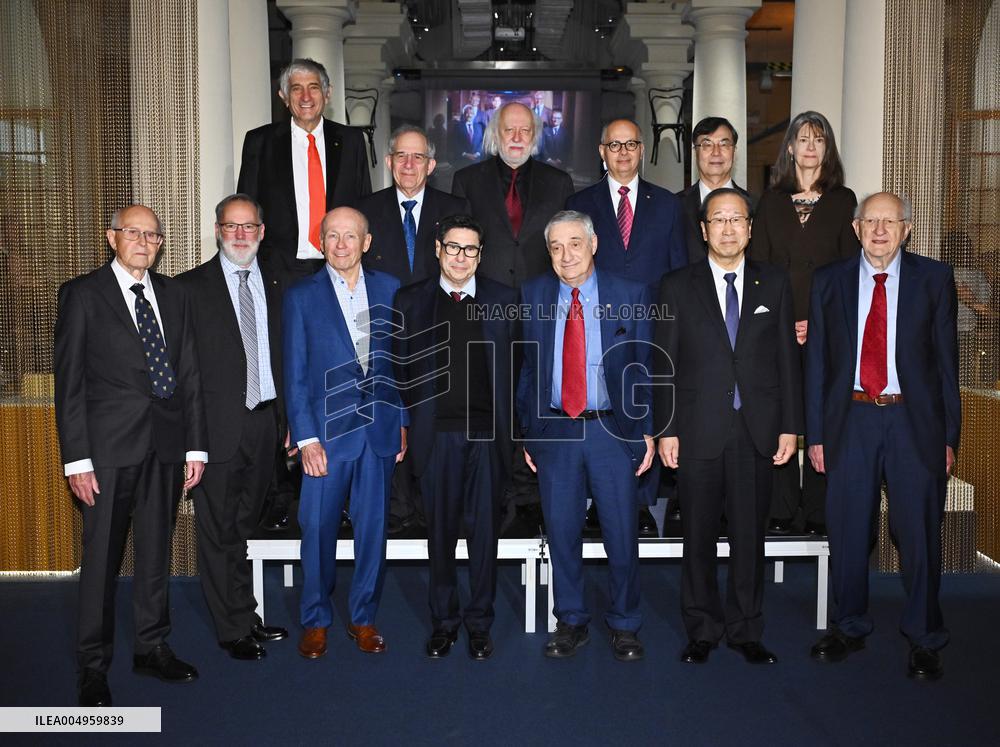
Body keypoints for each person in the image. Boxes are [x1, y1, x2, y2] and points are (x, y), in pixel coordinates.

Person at [54, 204, 207, 706]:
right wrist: (76, 460)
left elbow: (189, 375)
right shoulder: (82, 295)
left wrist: (195, 444)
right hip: (106, 452)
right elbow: (69, 384)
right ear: (111, 238)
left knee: (156, 553)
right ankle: (92, 668)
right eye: (133, 233)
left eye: (152, 235)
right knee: (100, 561)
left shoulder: (175, 295)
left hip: (165, 446)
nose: (144, 242)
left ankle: (151, 646)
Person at [805, 192, 960, 681]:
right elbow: (818, 366)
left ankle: (924, 636)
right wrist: (817, 434)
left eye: (889, 222)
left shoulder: (934, 279)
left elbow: (945, 365)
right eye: (870, 221)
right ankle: (849, 625)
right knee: (849, 530)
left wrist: (948, 435)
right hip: (850, 420)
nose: (879, 230)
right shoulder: (828, 281)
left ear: (906, 229)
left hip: (913, 422)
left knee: (917, 532)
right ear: (856, 228)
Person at [655, 188, 800, 666]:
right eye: (718, 219)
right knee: (697, 536)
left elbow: (787, 361)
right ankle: (702, 628)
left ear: (750, 228)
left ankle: (745, 629)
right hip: (696, 431)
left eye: (737, 219)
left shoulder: (774, 284)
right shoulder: (677, 285)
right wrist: (666, 429)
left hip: (756, 430)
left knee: (748, 538)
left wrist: (790, 427)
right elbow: (665, 363)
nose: (728, 228)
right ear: (703, 229)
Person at [518, 210, 656, 662]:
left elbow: (645, 367)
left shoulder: (630, 294)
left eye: (575, 243)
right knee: (561, 532)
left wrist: (647, 430)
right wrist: (529, 433)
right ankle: (571, 620)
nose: (566, 255)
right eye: (556, 247)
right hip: (555, 430)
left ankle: (625, 623)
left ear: (594, 244)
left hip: (611, 430)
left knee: (621, 533)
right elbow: (527, 368)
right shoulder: (534, 293)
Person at [283, 206, 407, 659]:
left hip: (378, 431)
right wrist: (306, 436)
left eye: (350, 236)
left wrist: (403, 423)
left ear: (366, 242)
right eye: (331, 236)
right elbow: (294, 375)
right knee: (316, 527)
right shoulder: (301, 296)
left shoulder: (392, 290)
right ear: (321, 242)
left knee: (373, 530)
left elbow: (399, 365)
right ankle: (315, 619)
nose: (340, 245)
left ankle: (363, 617)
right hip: (326, 438)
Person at [393, 214, 519, 660]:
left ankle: (480, 624)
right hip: (436, 437)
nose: (461, 257)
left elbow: (518, 371)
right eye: (453, 247)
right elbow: (397, 369)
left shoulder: (504, 300)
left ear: (480, 255)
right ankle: (444, 622)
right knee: (440, 536)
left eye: (470, 250)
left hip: (488, 438)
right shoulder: (409, 302)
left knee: (485, 538)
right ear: (437, 249)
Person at [452, 101, 575, 536]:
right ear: (495, 133)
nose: (518, 137)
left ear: (536, 135)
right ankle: (492, 494)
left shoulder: (560, 183)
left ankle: (528, 497)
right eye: (510, 130)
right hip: (486, 313)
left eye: (526, 130)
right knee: (493, 404)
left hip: (544, 311)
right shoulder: (467, 180)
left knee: (537, 402)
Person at [176, 194, 289, 660]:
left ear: (262, 232)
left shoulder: (280, 284)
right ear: (218, 231)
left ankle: (245, 613)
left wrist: (287, 423)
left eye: (249, 227)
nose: (240, 235)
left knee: (244, 528)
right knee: (219, 531)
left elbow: (285, 356)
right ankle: (232, 629)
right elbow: (184, 375)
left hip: (265, 424)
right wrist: (192, 443)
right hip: (216, 431)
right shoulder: (189, 288)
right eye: (231, 227)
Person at [566, 117, 688, 537]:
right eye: (614, 145)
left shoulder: (669, 204)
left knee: (643, 407)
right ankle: (599, 502)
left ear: (641, 150)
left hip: (652, 324)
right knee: (605, 409)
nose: (622, 152)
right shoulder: (581, 203)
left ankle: (639, 502)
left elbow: (678, 271)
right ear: (601, 151)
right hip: (597, 328)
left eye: (631, 144)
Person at [752, 111, 860, 536]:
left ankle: (817, 510)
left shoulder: (843, 199)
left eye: (819, 139)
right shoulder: (771, 200)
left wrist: (815, 321)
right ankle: (780, 509)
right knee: (780, 413)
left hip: (826, 326)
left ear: (827, 149)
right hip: (776, 324)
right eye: (803, 138)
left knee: (821, 414)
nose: (811, 146)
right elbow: (758, 266)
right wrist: (784, 320)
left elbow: (850, 273)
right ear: (790, 148)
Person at [357, 125, 469, 535]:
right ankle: (395, 510)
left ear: (432, 165)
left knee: (429, 422)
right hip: (381, 331)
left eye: (418, 157)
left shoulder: (455, 207)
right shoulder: (365, 209)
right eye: (401, 156)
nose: (408, 164)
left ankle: (432, 512)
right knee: (388, 415)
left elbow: (464, 265)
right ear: (388, 162)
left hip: (438, 331)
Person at [237, 58, 372, 284]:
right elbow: (246, 209)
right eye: (296, 89)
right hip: (278, 272)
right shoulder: (260, 142)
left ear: (327, 94)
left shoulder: (352, 141)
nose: (306, 97)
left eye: (314, 88)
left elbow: (363, 204)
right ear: (283, 96)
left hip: (339, 266)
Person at [678, 116, 753, 263]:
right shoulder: (674, 206)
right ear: (695, 152)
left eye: (724, 145)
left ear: (734, 151)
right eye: (707, 145)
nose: (716, 152)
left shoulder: (755, 205)